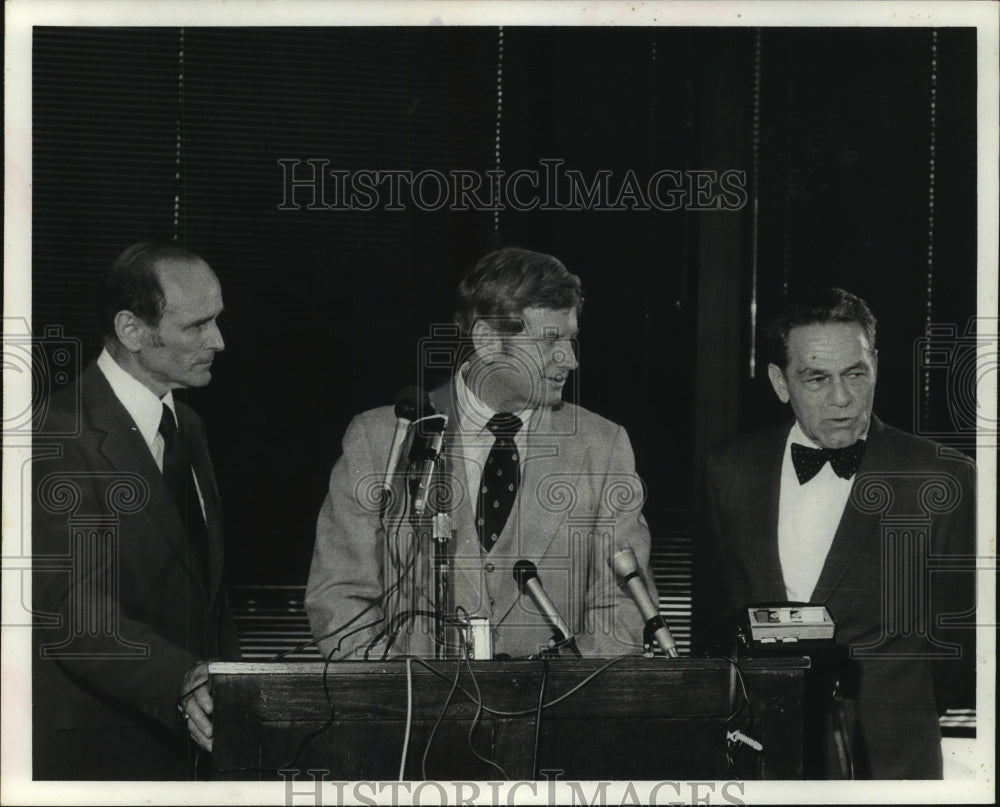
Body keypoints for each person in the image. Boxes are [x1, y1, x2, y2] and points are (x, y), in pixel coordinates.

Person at [306, 247, 658, 660]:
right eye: (549, 341)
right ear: (488, 340)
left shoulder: (603, 447)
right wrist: (400, 705)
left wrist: (560, 704)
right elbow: (340, 600)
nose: (570, 360)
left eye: (572, 338)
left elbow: (624, 612)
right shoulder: (381, 440)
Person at [704, 287, 976, 779]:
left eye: (855, 373)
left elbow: (958, 643)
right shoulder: (729, 470)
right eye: (816, 378)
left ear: (875, 366)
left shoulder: (944, 476)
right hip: (763, 754)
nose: (842, 398)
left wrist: (895, 712)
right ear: (779, 383)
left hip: (893, 760)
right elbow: (721, 615)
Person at [32, 242, 240, 780]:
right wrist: (182, 680)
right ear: (131, 330)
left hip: (195, 751)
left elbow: (204, 593)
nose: (219, 340)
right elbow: (72, 609)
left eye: (217, 320)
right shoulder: (57, 435)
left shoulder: (189, 427)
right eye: (197, 326)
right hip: (103, 754)